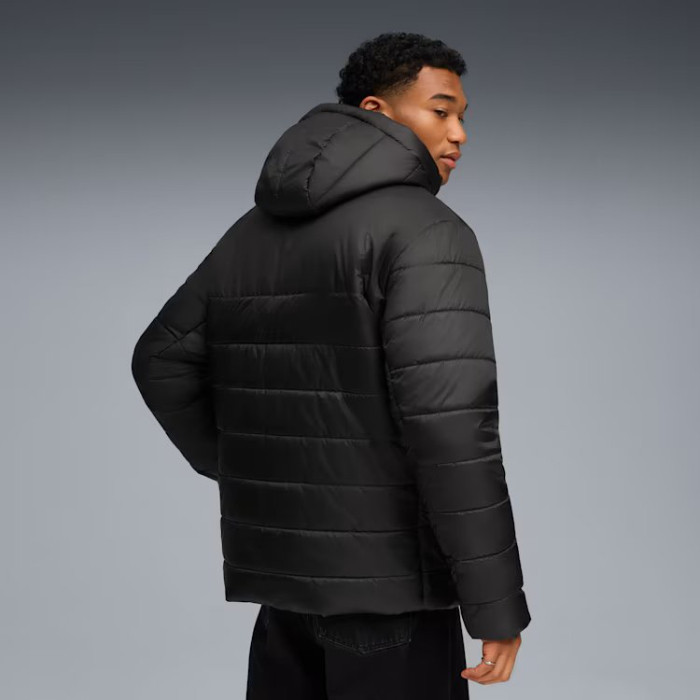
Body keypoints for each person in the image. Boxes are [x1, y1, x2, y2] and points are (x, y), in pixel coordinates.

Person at [131, 31, 532, 699]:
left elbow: (161, 358)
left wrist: (261, 472)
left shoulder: (252, 231)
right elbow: (451, 429)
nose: (459, 133)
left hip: (286, 597)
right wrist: (495, 605)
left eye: (464, 116)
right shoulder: (429, 232)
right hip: (394, 593)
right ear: (376, 110)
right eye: (441, 111)